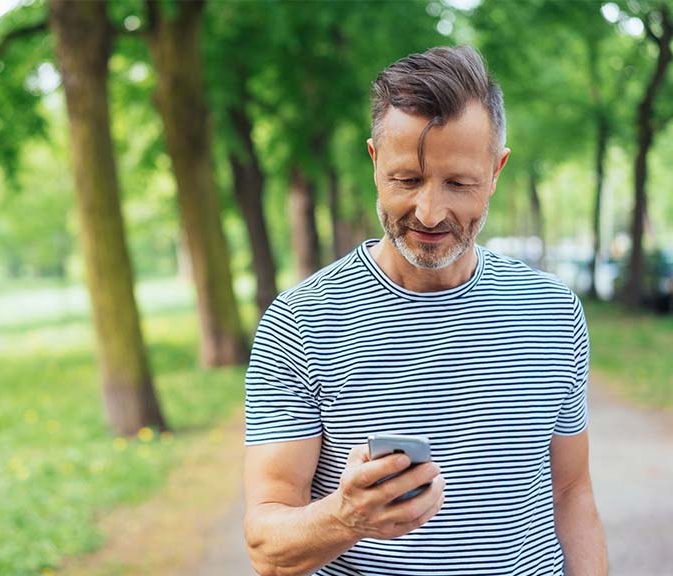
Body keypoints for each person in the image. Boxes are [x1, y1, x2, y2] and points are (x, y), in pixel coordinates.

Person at [243, 46, 608, 576]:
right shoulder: (300, 321)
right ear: (374, 162)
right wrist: (346, 518)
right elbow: (266, 547)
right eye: (406, 180)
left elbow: (572, 493)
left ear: (496, 169)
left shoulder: (553, 310)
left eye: (459, 183)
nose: (430, 213)